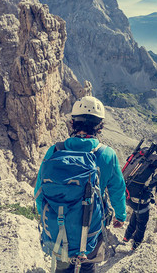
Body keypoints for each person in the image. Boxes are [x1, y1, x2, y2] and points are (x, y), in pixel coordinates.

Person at [34, 96, 127, 273]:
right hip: (89, 233)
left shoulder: (55, 150)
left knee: (61, 266)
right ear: (100, 126)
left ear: (72, 123)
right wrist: (120, 216)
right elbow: (117, 190)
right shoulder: (107, 154)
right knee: (87, 266)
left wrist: (48, 218)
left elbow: (39, 192)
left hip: (57, 230)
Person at [123, 141, 157, 250]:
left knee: (137, 211)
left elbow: (154, 180)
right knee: (142, 222)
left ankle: (126, 237)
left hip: (126, 193)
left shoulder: (148, 159)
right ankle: (135, 246)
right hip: (139, 198)